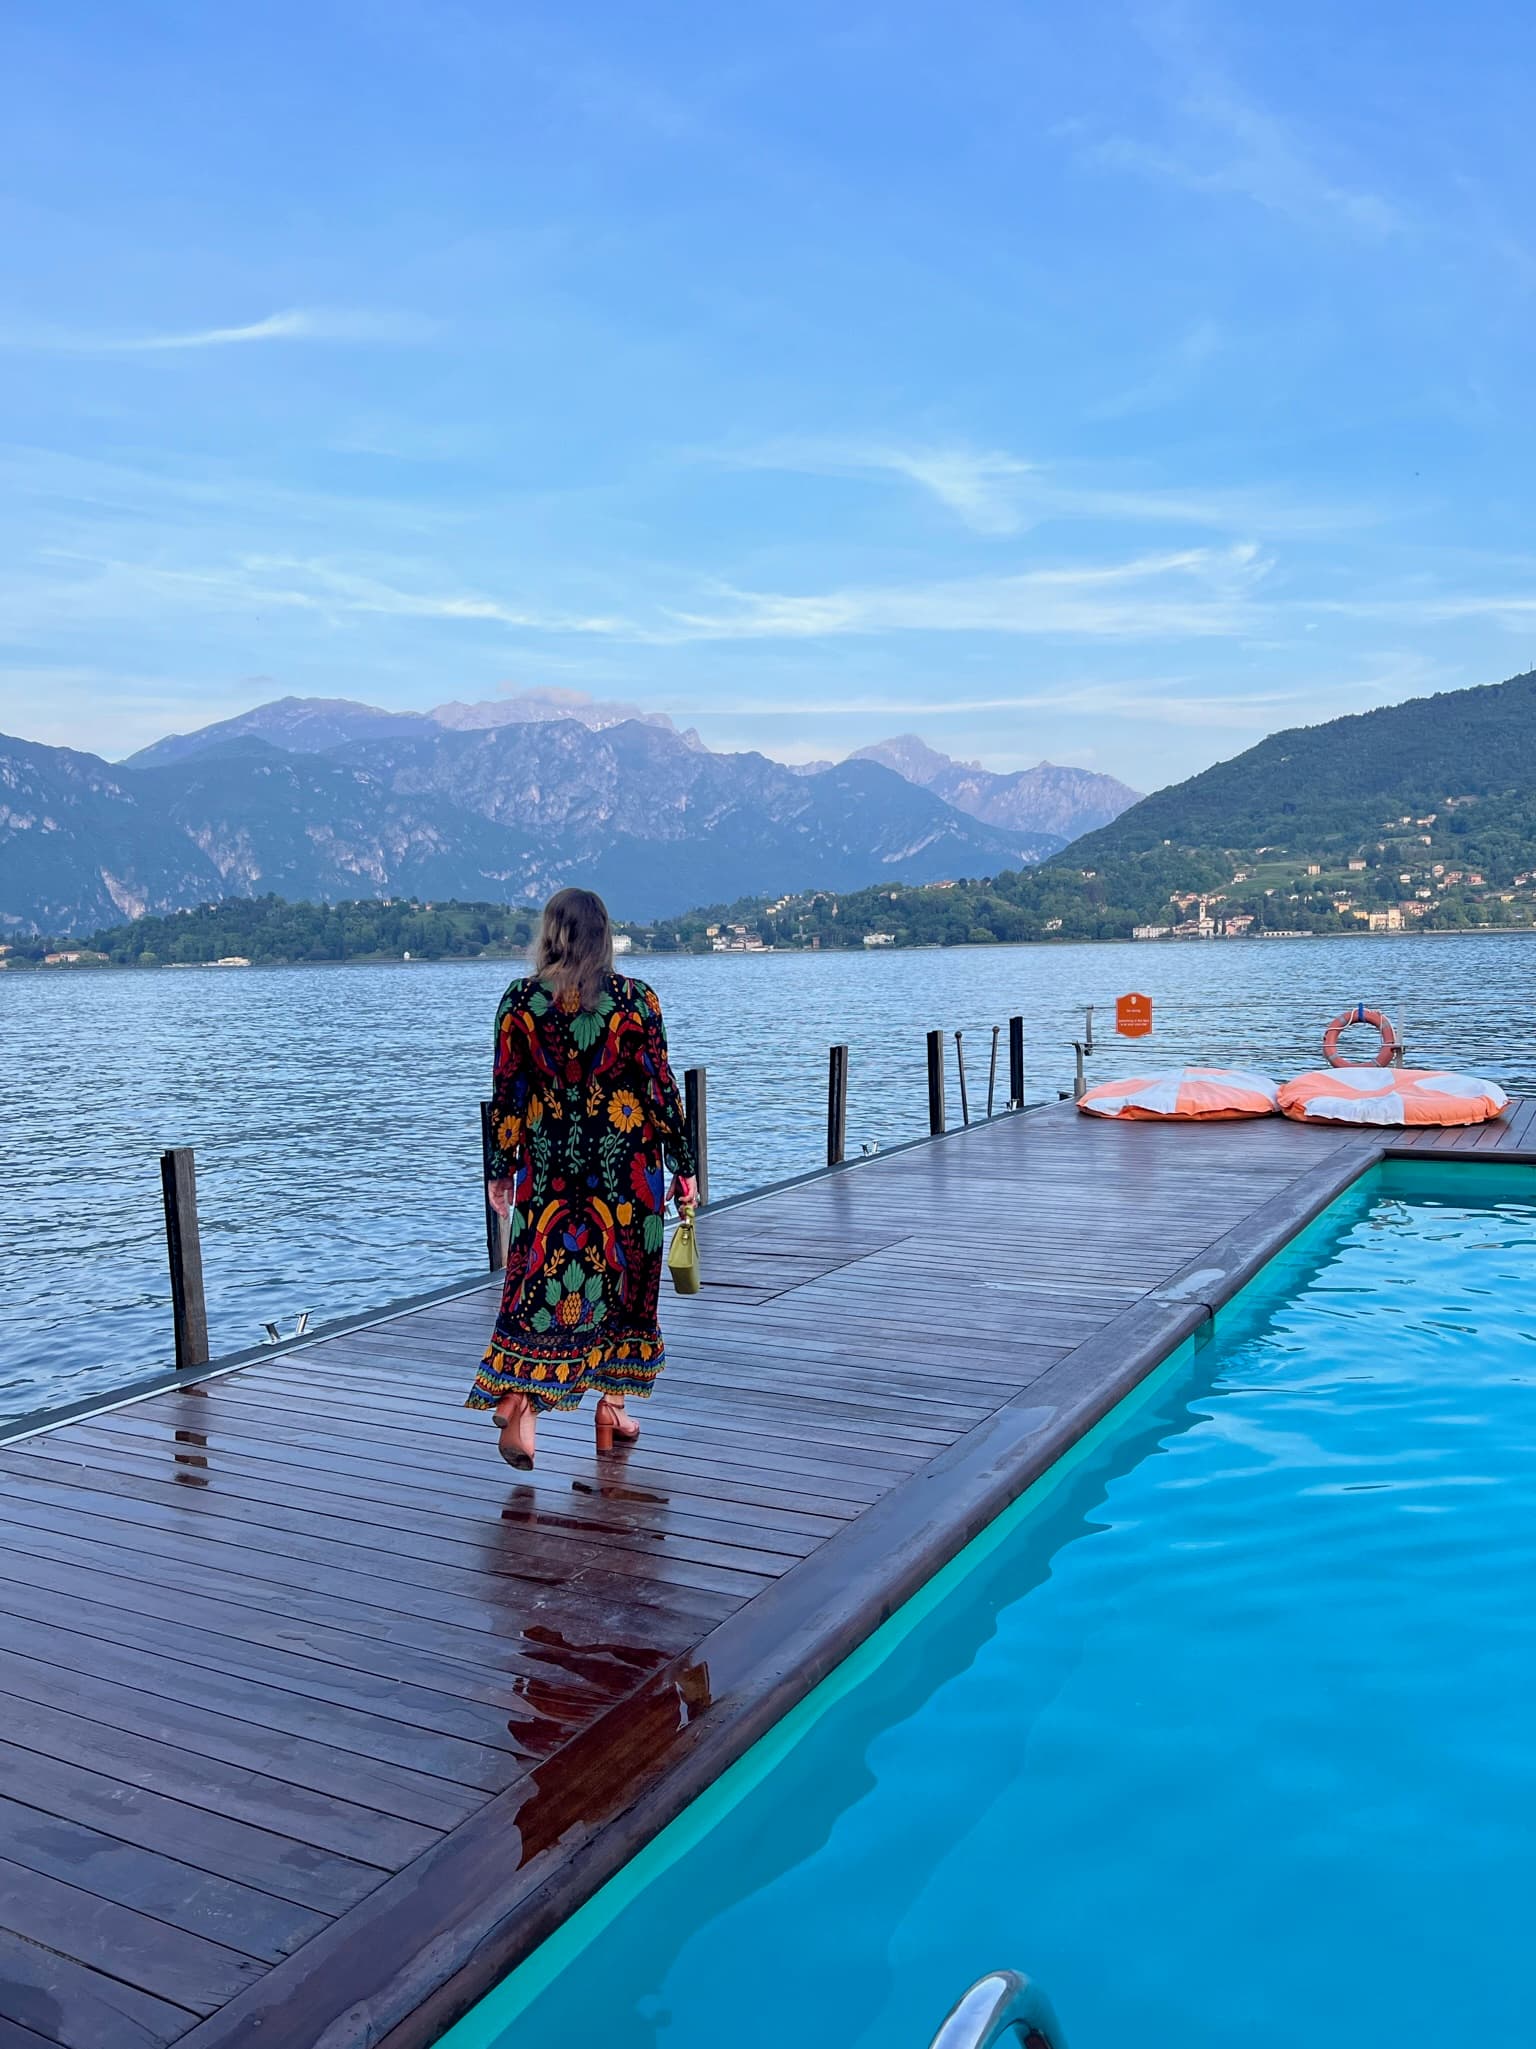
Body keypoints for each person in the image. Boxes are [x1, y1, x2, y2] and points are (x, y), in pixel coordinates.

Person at [466, 887, 698, 1468]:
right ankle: (611, 1406)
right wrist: (685, 1168)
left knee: (541, 1283)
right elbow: (661, 1091)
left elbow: (506, 1096)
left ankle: (522, 1400)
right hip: (629, 1179)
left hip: (551, 1181)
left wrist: (500, 1170)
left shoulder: (520, 1003)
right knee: (628, 1294)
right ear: (604, 936)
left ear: (550, 934)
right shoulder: (638, 1001)